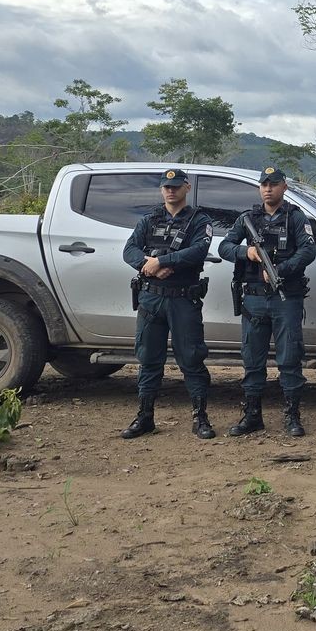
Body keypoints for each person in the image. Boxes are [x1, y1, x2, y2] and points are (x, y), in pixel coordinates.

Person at [217, 165, 316, 438]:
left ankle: (292, 416)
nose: (268, 188)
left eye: (273, 184)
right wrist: (245, 251)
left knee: (290, 357)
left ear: (284, 186)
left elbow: (308, 251)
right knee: (252, 359)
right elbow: (223, 247)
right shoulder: (247, 218)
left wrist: (280, 270)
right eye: (264, 184)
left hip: (286, 298)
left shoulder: (295, 218)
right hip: (254, 300)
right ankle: (252, 416)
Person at [120, 168, 215, 440]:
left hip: (183, 299)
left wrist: (161, 261)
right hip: (151, 297)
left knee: (192, 359)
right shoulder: (149, 219)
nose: (170, 190)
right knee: (148, 359)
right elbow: (129, 250)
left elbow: (198, 251)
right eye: (166, 186)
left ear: (187, 187)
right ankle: (145, 417)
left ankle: (200, 418)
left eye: (175, 186)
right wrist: (147, 266)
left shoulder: (200, 220)